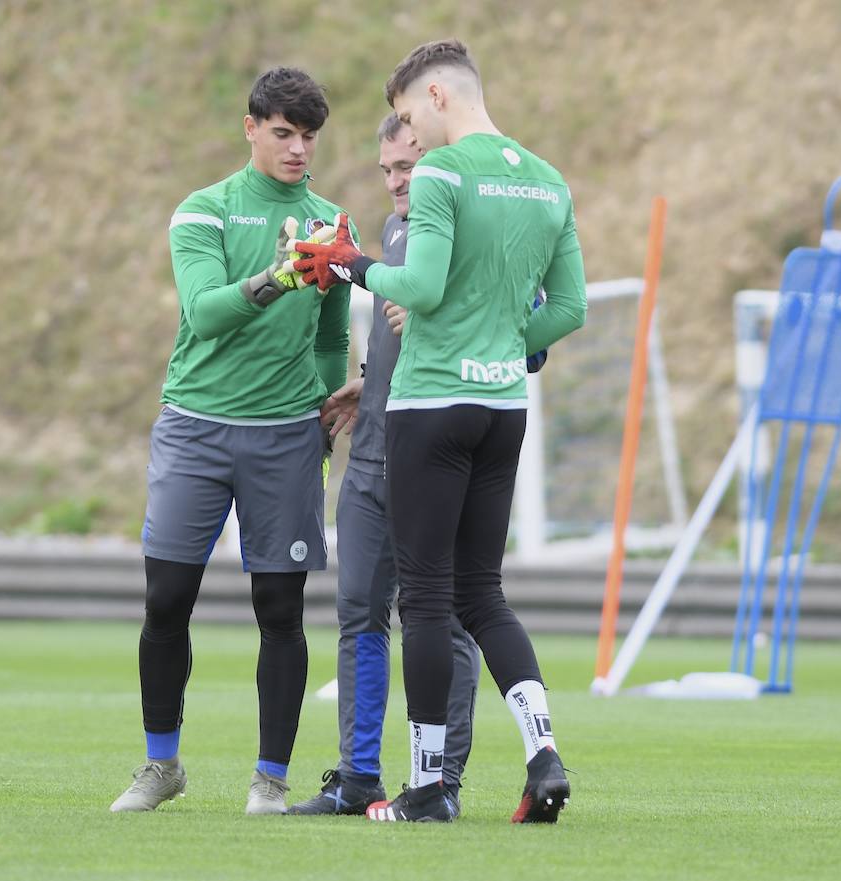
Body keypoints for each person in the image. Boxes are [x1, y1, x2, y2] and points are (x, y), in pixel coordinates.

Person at [294, 39, 587, 823]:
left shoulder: (445, 174)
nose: (409, 138)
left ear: (436, 95)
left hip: (431, 406)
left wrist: (353, 264)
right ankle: (544, 753)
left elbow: (418, 287)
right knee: (483, 594)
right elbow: (568, 310)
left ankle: (426, 786)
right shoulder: (548, 180)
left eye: (405, 116)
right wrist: (506, 341)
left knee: (423, 598)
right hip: (503, 409)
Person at [110, 66, 356, 816]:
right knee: (167, 598)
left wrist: (322, 405)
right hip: (196, 425)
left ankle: (270, 781)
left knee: (280, 609)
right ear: (250, 128)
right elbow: (205, 312)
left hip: (285, 435)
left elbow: (330, 336)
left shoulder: (329, 222)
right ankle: (161, 765)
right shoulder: (202, 212)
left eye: (308, 136)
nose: (297, 149)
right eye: (283, 133)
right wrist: (279, 276)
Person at [287, 113, 518, 818]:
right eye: (387, 169)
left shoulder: (478, 233)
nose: (396, 182)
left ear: (440, 162)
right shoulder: (392, 231)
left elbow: (523, 343)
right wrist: (368, 378)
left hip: (436, 459)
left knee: (444, 620)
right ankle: (359, 776)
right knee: (358, 612)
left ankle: (440, 782)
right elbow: (395, 333)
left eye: (408, 168)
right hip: (371, 458)